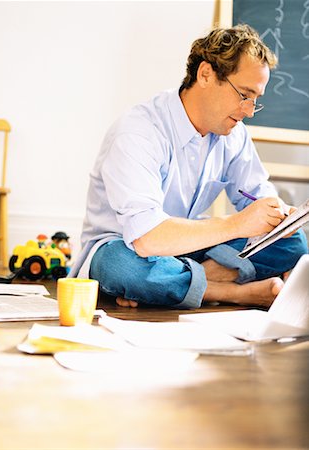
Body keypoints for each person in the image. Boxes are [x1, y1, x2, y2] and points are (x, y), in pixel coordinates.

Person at [70, 24, 308, 309]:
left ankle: (186, 283)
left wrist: (278, 217)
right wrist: (236, 224)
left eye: (255, 101)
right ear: (206, 74)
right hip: (130, 248)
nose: (248, 111)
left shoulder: (234, 135)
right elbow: (147, 239)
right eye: (244, 95)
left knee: (293, 244)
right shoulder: (138, 131)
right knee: (121, 267)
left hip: (190, 251)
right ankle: (230, 292)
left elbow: (259, 194)